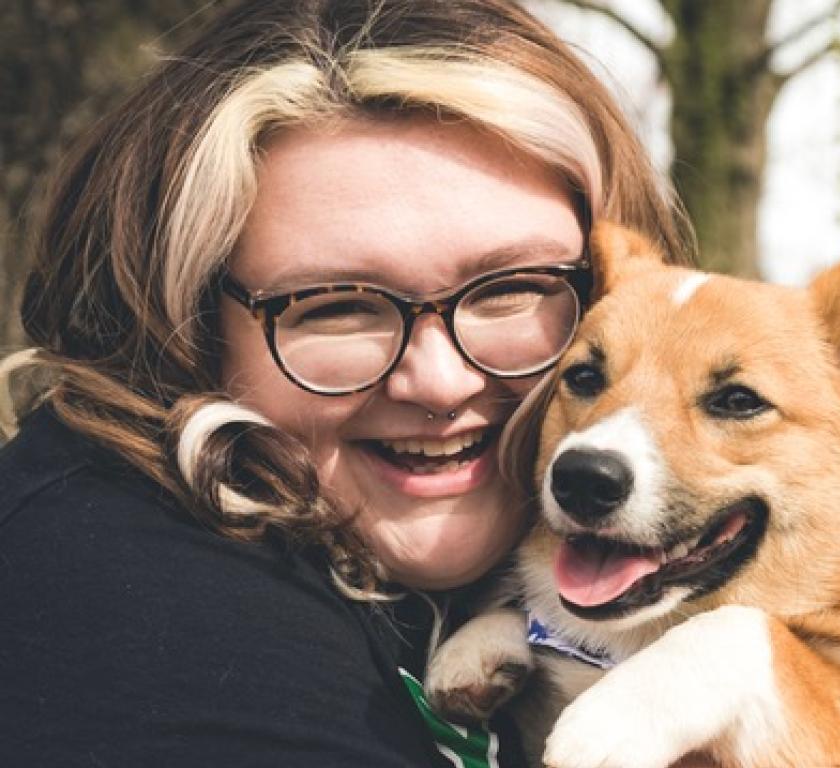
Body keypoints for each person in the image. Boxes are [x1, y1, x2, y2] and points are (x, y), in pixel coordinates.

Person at [0, 1, 692, 766]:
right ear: (188, 324)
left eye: (511, 288)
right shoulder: (143, 613)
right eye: (336, 306)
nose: (439, 381)